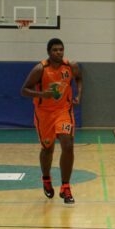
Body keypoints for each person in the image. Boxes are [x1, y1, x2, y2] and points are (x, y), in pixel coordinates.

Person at [21, 38, 83, 204]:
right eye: (55, 50)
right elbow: (24, 90)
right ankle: (46, 178)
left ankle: (66, 187)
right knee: (47, 149)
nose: (58, 52)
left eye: (61, 49)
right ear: (49, 52)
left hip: (64, 111)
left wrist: (78, 94)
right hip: (44, 114)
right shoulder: (40, 69)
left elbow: (79, 78)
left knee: (68, 145)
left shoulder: (71, 66)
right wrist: (42, 94)